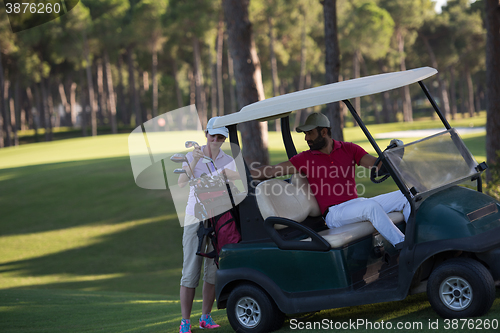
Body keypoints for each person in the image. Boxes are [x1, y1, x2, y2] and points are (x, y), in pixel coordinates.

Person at [250, 112, 410, 248]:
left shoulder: (349, 149)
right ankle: (404, 246)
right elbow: (272, 170)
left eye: (310, 133)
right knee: (371, 207)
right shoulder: (305, 158)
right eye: (305, 134)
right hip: (335, 213)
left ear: (324, 132)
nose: (306, 138)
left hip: (356, 204)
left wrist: (395, 154)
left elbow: (378, 167)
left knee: (406, 195)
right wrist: (239, 176)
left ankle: (415, 237)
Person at [177, 117, 235, 333]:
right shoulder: (193, 155)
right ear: (206, 134)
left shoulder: (227, 159)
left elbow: (234, 183)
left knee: (212, 271)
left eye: (221, 137)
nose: (216, 140)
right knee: (191, 270)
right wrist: (195, 161)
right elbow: (182, 182)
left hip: (218, 216)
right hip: (195, 217)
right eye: (213, 136)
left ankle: (205, 317)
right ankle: (185, 322)